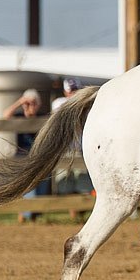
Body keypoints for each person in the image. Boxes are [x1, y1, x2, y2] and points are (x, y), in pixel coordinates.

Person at [2, 89, 50, 222]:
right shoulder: (18, 116)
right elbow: (5, 115)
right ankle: (25, 216)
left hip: (39, 156)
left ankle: (32, 216)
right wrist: (20, 102)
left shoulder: (42, 117)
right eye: (28, 104)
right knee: (28, 188)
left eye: (34, 103)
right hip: (22, 156)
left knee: (41, 187)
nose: (30, 106)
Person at [52, 78, 93, 220]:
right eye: (72, 91)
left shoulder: (85, 105)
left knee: (83, 183)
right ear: (65, 92)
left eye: (76, 90)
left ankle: (82, 213)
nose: (74, 94)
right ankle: (72, 214)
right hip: (64, 150)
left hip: (80, 149)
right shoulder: (59, 103)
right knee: (65, 182)